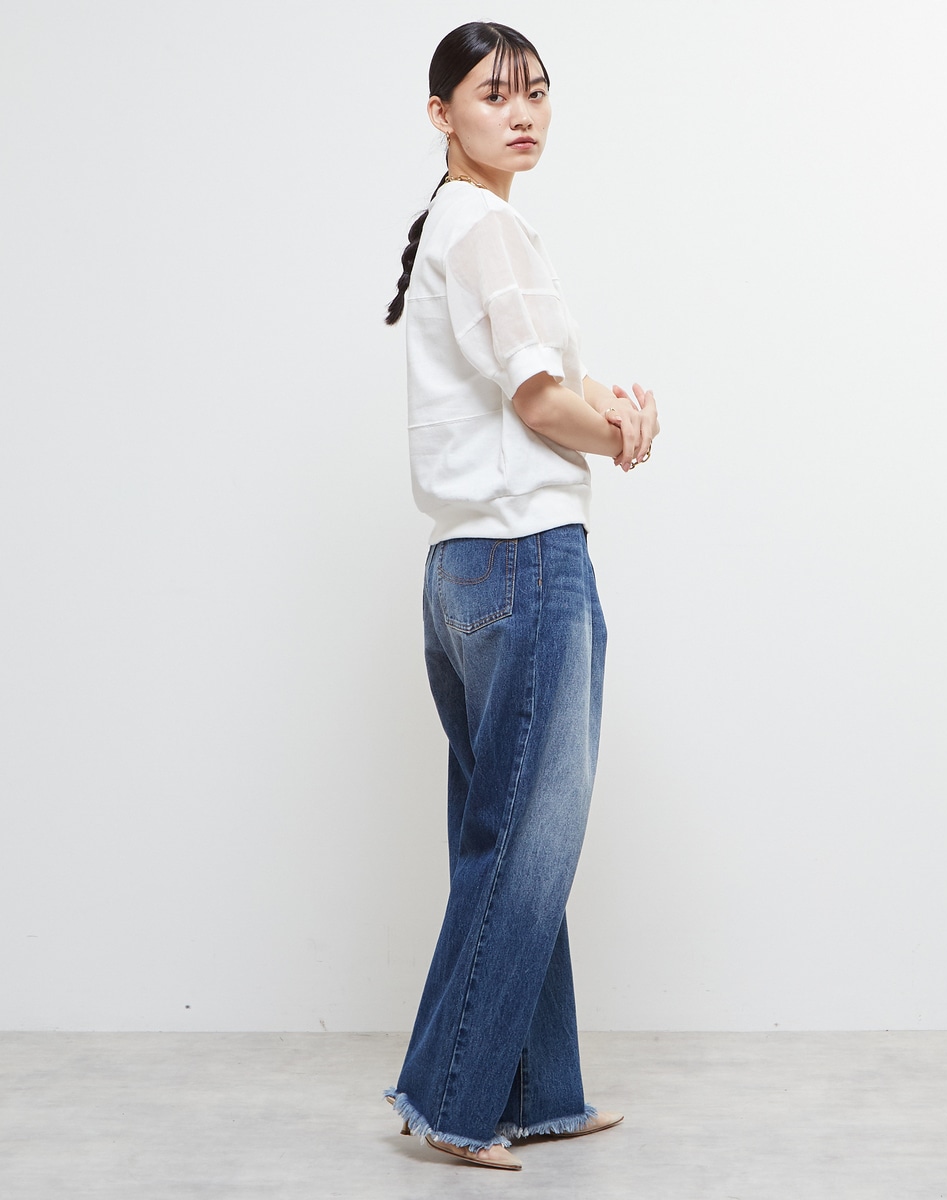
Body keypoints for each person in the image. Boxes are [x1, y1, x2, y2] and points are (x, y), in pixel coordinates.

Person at [383, 21, 659, 1172]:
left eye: (536, 91)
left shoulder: (463, 225)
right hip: (525, 558)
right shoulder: (485, 225)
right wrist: (621, 433)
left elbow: (536, 382)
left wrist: (607, 405)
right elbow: (542, 404)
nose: (523, 111)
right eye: (494, 94)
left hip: (463, 568)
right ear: (441, 112)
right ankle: (449, 1099)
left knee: (503, 833)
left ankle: (542, 1091)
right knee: (526, 844)